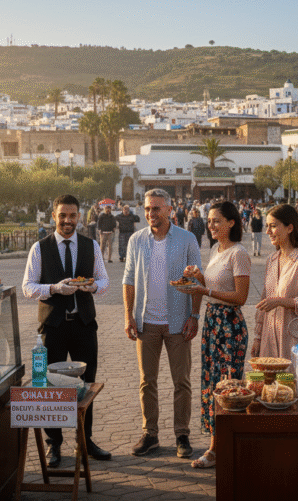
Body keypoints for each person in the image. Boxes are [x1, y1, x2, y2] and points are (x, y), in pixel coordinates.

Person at [22, 194, 112, 467]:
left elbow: (105, 280)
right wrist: (54, 289)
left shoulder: (91, 245)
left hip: (84, 324)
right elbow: (28, 287)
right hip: (53, 326)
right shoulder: (40, 248)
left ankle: (86, 439)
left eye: (72, 216)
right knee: (51, 386)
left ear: (79, 217)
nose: (68, 221)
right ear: (54, 216)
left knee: (87, 385)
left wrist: (93, 286)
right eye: (63, 216)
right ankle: (54, 444)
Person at [123, 188, 202, 459]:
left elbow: (196, 281)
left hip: (178, 322)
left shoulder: (187, 239)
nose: (150, 214)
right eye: (147, 209)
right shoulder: (136, 240)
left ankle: (182, 434)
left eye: (156, 209)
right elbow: (129, 280)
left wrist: (194, 316)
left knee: (182, 381)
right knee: (148, 381)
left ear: (169, 209)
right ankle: (150, 434)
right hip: (147, 322)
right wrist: (128, 315)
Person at [174, 201, 250, 469]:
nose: (211, 225)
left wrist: (205, 291)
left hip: (230, 326)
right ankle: (217, 447)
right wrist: (199, 278)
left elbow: (240, 297)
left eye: (217, 220)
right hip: (212, 323)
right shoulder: (217, 250)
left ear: (232, 222)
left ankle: (224, 448)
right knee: (212, 384)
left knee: (229, 387)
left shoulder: (238, 253)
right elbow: (214, 286)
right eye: (209, 221)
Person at [252, 204, 298, 359]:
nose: (267, 232)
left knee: (291, 382)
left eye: (273, 226)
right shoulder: (272, 259)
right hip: (269, 338)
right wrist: (258, 337)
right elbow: (264, 302)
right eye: (267, 226)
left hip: (294, 341)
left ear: (290, 228)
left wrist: (281, 301)